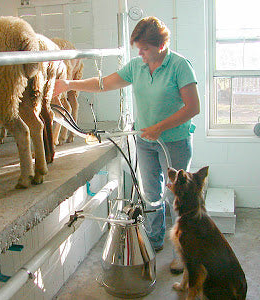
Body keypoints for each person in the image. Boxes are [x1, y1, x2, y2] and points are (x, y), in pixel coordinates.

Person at [52, 16, 200, 274]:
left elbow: (193, 108)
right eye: (138, 48)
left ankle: (183, 253)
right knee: (150, 195)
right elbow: (103, 84)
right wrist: (68, 84)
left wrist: (159, 128)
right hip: (145, 141)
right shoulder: (137, 66)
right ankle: (154, 241)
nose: (140, 53)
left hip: (174, 141)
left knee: (177, 199)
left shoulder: (179, 66)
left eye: (144, 48)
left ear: (160, 45)